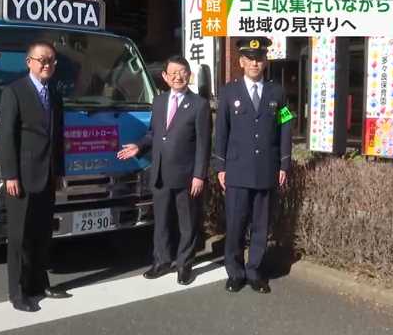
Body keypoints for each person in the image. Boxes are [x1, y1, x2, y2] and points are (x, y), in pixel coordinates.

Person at [117, 55, 211, 285]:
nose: (178, 77)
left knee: (187, 223)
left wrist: (199, 174)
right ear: (165, 77)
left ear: (189, 75)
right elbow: (154, 133)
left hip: (187, 175)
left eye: (182, 72)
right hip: (160, 173)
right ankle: (161, 261)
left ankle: (184, 265)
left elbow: (203, 143)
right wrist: (139, 145)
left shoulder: (199, 105)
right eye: (173, 73)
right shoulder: (159, 102)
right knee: (161, 222)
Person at [213, 37, 292, 294]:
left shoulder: (277, 92)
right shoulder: (228, 92)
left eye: (259, 59)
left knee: (261, 225)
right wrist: (220, 167)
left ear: (265, 61)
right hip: (236, 170)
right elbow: (221, 132)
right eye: (250, 59)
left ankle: (255, 271)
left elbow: (285, 127)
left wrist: (284, 164)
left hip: (267, 169)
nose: (255, 63)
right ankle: (235, 273)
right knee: (235, 224)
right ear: (241, 62)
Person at [0, 40, 70, 312]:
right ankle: (17, 292)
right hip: (23, 178)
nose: (47, 64)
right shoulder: (14, 92)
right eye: (41, 60)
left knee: (42, 235)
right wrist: (10, 175)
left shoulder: (55, 94)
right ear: (29, 62)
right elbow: (6, 137)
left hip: (48, 176)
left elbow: (58, 136)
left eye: (51, 60)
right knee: (19, 237)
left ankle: (40, 283)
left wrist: (60, 171)